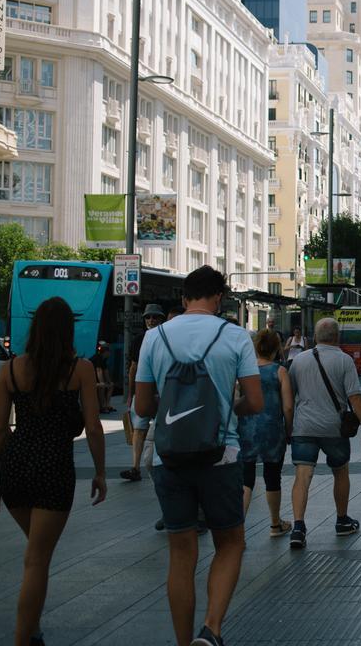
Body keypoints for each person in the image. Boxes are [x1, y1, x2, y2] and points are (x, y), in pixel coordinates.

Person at [134, 266, 263, 646]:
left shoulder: (154, 337)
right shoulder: (235, 336)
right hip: (220, 457)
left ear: (185, 297)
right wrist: (222, 410)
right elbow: (254, 401)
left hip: (169, 459)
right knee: (230, 543)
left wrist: (176, 408)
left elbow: (142, 405)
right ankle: (212, 629)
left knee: (181, 553)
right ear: (219, 297)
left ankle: (183, 642)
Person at [0, 297, 107, 644]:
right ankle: (24, 637)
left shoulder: (10, 369)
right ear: (68, 330)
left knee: (35, 550)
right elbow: (95, 428)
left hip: (16, 466)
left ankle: (32, 627)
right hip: (54, 466)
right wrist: (100, 472)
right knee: (37, 558)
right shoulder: (79, 369)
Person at [287, 317, 361, 549]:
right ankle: (342, 520)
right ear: (337, 337)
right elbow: (354, 396)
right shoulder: (344, 361)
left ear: (315, 337)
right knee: (340, 472)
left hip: (304, 427)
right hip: (334, 428)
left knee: (302, 476)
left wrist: (288, 426)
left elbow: (289, 397)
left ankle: (298, 527)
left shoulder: (299, 361)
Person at [240, 329, 294, 537]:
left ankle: (238, 531)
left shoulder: (245, 371)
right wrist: (288, 430)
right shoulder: (280, 371)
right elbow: (288, 407)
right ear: (276, 349)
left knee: (246, 479)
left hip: (247, 430)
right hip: (272, 430)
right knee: (273, 477)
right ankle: (275, 524)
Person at [122, 304, 165, 482]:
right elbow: (133, 367)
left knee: (159, 428)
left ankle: (160, 462)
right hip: (143, 391)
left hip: (161, 392)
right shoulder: (139, 339)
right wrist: (131, 394)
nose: (151, 320)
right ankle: (135, 467)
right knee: (139, 429)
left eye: (155, 317)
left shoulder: (166, 337)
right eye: (148, 317)